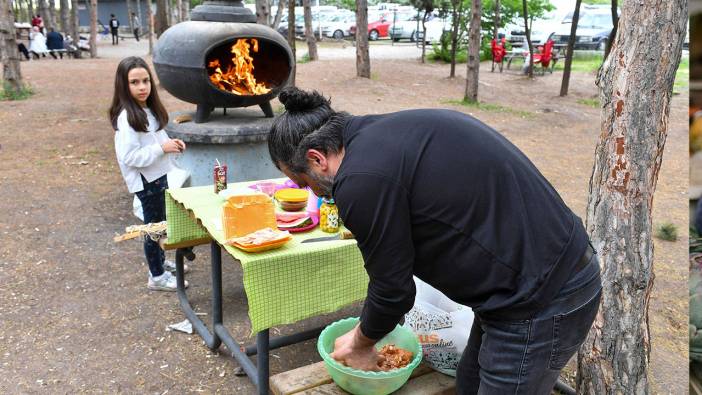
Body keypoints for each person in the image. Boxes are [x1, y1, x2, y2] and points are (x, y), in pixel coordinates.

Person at [266, 87, 602, 394]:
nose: (311, 191)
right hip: (523, 283)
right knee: (469, 383)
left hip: (542, 298)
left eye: (303, 182)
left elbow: (393, 292)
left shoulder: (360, 179)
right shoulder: (382, 134)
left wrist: (359, 343)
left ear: (316, 158)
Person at [109, 56, 190, 291]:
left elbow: (157, 138)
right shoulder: (127, 117)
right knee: (152, 229)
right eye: (134, 82)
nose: (142, 87)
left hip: (158, 176)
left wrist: (170, 143)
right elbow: (130, 157)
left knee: (160, 224)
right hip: (146, 182)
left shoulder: (147, 110)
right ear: (123, 85)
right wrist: (161, 149)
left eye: (146, 81)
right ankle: (156, 277)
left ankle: (160, 264)